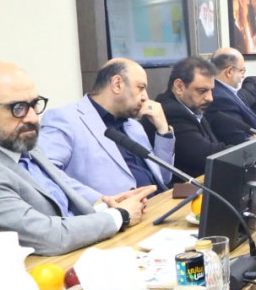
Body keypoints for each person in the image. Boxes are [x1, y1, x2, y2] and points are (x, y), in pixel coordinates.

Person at [0, 62, 150, 255]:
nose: (33, 118)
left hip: (85, 252)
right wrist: (120, 215)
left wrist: (105, 203)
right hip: (49, 266)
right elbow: (48, 236)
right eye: (17, 108)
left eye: (34, 105)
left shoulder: (22, 145)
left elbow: (63, 191)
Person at [39, 58, 173, 197]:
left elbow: (163, 178)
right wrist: (100, 201)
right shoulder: (65, 119)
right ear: (117, 84)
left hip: (160, 203)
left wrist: (163, 130)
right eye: (140, 88)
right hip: (115, 209)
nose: (146, 97)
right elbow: (44, 172)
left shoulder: (134, 126)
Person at [157, 57, 229, 178]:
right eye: (202, 91)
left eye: (211, 90)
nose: (210, 98)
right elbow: (208, 157)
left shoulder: (192, 108)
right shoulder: (171, 112)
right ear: (179, 87)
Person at [205, 47, 256, 145]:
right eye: (242, 70)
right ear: (229, 71)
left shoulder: (226, 93)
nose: (243, 75)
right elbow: (239, 138)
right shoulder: (221, 99)